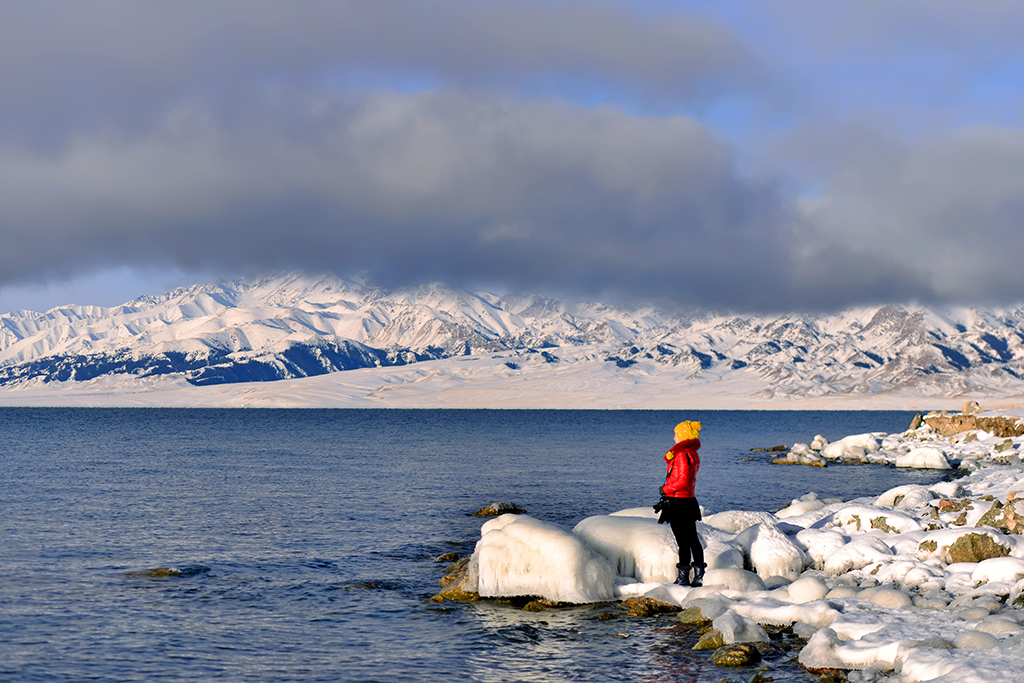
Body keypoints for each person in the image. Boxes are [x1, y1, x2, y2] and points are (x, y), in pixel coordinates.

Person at [658, 420, 706, 587]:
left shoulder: (681, 455)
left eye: (676, 434)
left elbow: (682, 480)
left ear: (683, 435)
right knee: (692, 539)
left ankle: (683, 577)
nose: (674, 437)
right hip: (688, 501)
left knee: (683, 541)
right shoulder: (692, 454)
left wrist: (665, 489)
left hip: (678, 502)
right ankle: (698, 576)